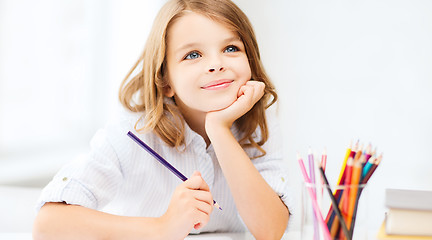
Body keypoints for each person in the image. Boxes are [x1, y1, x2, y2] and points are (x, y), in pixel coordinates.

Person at [33, 0, 293, 239]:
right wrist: (162, 226)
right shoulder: (131, 135)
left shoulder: (259, 125)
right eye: (193, 54)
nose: (216, 64)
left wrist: (219, 129)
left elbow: (271, 231)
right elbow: (48, 224)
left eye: (231, 48)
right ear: (165, 80)